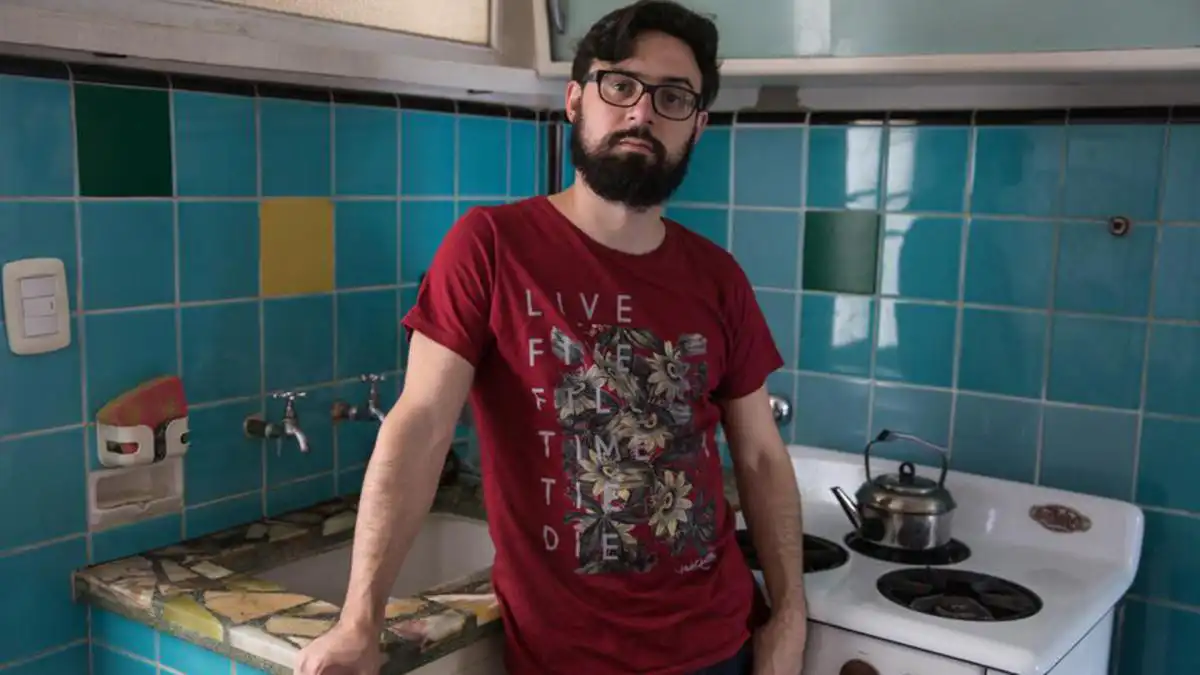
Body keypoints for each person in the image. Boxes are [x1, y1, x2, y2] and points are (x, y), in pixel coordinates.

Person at [294, 1, 808, 673]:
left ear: (697, 126)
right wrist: (359, 620)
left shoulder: (718, 277)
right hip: (569, 658)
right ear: (575, 99)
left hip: (720, 647)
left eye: (673, 97)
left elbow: (761, 457)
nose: (642, 112)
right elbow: (419, 426)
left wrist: (790, 611)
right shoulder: (490, 248)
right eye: (620, 84)